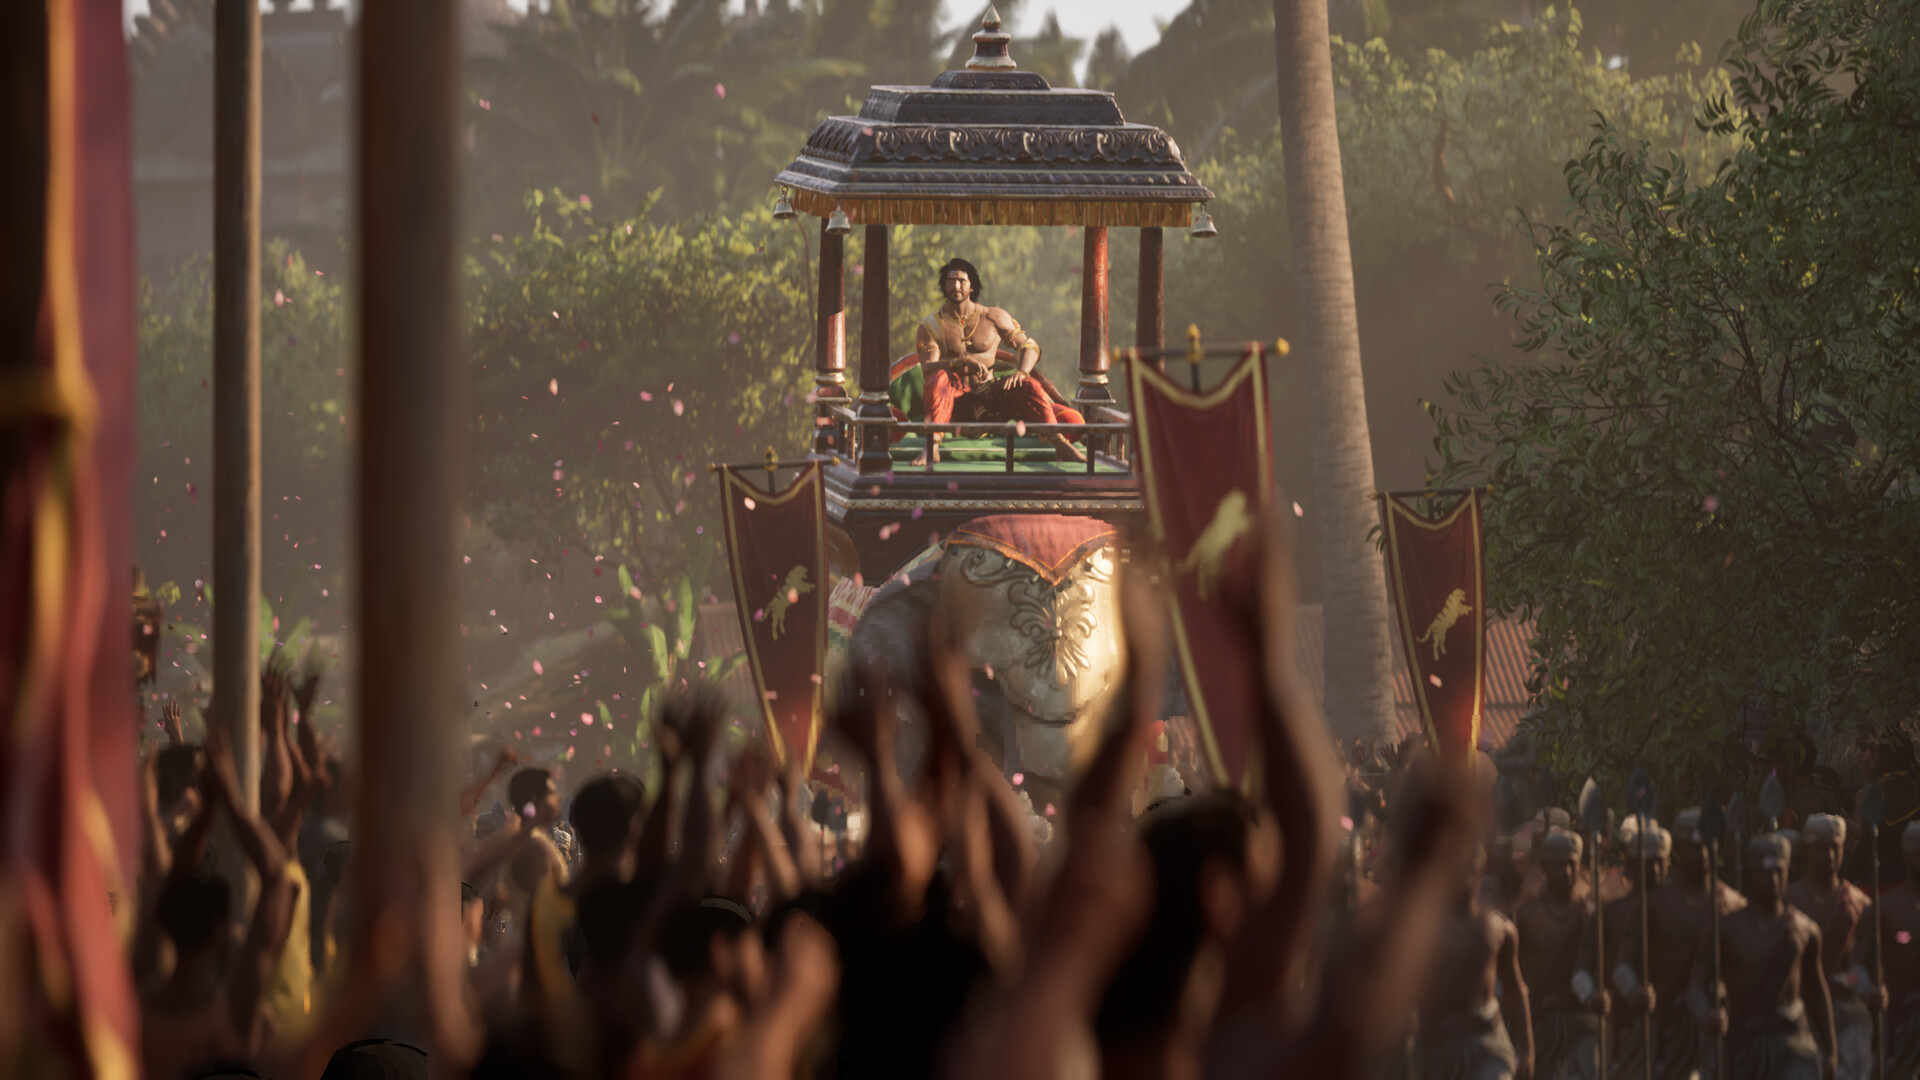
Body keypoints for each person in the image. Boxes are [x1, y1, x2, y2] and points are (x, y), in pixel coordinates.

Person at [140, 732, 302, 1080]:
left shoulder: (143, 1003)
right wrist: (232, 801)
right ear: (218, 930)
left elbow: (169, 888)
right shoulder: (235, 1010)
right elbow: (276, 876)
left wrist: (205, 815)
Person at [900, 257, 1086, 463]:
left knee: (1029, 384)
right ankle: (932, 446)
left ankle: (1059, 443)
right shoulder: (931, 325)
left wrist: (1022, 372)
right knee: (938, 379)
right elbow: (928, 369)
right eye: (951, 281)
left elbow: (1029, 346)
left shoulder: (993, 317)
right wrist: (961, 362)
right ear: (944, 286)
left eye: (961, 281)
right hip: (955, 405)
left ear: (972, 285)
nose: (956, 286)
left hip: (992, 398)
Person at [1614, 807, 1744, 1080]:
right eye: (1694, 846)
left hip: (1721, 1025)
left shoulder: (1732, 903)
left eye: (1708, 844)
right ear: (1679, 849)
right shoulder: (1654, 905)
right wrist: (1634, 992)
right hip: (1668, 1025)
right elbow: (1624, 964)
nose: (1703, 853)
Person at [1693, 833, 1836, 1080]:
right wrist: (1707, 1014)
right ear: (1751, 872)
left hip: (1793, 1043)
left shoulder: (1805, 930)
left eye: (1779, 871)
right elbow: (1696, 986)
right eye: (1766, 872)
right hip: (1743, 1044)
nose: (1773, 879)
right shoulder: (1725, 930)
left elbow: (1816, 990)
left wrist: (1831, 1049)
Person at [1415, 843, 1534, 1080]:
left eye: (1468, 871)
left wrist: (1528, 1049)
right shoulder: (1421, 933)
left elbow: (1514, 989)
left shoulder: (1500, 928)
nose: (1462, 879)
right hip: (1439, 1045)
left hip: (1488, 1042)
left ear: (1479, 873)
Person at [1572, 819, 1669, 1075]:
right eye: (1646, 862)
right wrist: (1591, 996)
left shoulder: (1680, 912)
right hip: (1623, 1027)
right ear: (1632, 865)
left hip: (1674, 1028)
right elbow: (1581, 969)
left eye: (1659, 861)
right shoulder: (1610, 914)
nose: (1654, 869)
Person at [1783, 813, 1871, 1080]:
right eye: (1821, 847)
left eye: (1835, 847)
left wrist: (1861, 985)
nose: (1829, 855)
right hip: (1801, 1012)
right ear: (1806, 849)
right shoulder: (1788, 902)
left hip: (1847, 1013)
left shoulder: (1858, 904)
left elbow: (1866, 967)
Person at [1517, 828, 1599, 1080]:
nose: (1567, 871)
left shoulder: (1591, 916)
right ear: (1544, 866)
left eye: (1572, 864)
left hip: (1582, 1021)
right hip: (1540, 1021)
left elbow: (1603, 969)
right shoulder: (1527, 916)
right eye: (1559, 865)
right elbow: (1513, 975)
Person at [1852, 820, 1920, 1079]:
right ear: (1907, 856)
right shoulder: (1886, 909)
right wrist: (1866, 989)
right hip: (1900, 1024)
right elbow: (1854, 969)